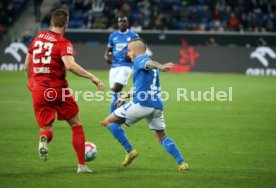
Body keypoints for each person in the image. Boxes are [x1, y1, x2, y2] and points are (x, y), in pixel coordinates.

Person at [24, 9, 105, 173]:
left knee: (46, 128)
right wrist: (93, 77)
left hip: (38, 89)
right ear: (66, 24)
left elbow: (27, 66)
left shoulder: (38, 38)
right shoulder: (63, 43)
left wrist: (31, 82)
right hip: (57, 89)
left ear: (51, 22)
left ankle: (43, 139)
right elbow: (70, 65)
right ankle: (82, 166)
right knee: (76, 124)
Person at [101, 38, 189, 171]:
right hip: (157, 106)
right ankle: (182, 162)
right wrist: (126, 95)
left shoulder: (140, 59)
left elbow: (150, 63)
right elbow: (142, 86)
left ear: (136, 51)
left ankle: (129, 150)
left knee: (109, 122)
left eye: (129, 51)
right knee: (162, 137)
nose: (128, 54)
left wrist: (162, 66)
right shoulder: (145, 66)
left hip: (141, 104)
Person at [103, 16, 139, 162]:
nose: (122, 23)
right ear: (117, 23)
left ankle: (117, 116)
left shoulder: (133, 36)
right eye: (120, 21)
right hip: (114, 67)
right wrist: (107, 57)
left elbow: (139, 49)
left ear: (127, 23)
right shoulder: (113, 36)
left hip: (126, 66)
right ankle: (119, 116)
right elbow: (108, 51)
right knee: (115, 91)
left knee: (117, 87)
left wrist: (131, 54)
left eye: (124, 21)